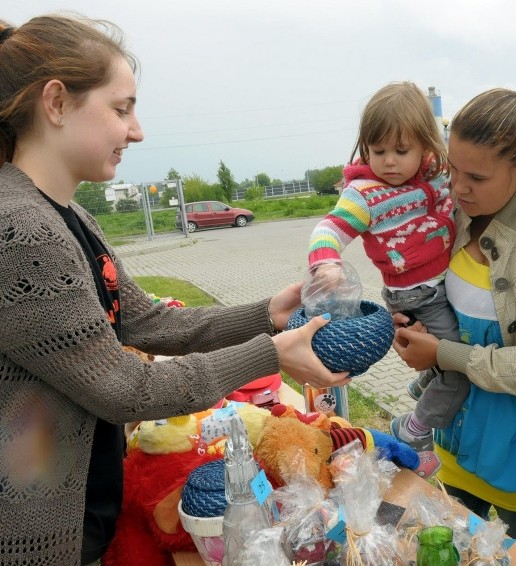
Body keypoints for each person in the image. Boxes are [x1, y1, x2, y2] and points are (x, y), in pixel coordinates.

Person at [0, 15, 348, 565]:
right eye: (121, 109)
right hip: (33, 537)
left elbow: (150, 323)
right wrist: (271, 354)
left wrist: (268, 314)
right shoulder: (22, 232)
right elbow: (126, 388)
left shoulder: (67, 218)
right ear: (57, 102)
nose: (135, 131)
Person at [392, 79, 516, 565]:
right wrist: (412, 321)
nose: (456, 188)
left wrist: (440, 354)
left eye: (474, 178)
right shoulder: (455, 210)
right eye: (452, 170)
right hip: (455, 443)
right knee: (457, 551)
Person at [306, 81, 457, 464]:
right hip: (417, 295)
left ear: (425, 146)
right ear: (366, 149)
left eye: (401, 151)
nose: (390, 161)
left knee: (444, 356)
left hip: (442, 285)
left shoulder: (435, 179)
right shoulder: (365, 194)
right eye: (379, 151)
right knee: (459, 367)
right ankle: (416, 429)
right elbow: (330, 228)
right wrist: (327, 262)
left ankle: (424, 382)